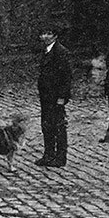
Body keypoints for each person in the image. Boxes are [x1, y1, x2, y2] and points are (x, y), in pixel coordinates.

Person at [34, 25, 72, 168]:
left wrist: (62, 97)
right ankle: (48, 154)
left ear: (55, 36)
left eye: (48, 33)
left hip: (56, 96)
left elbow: (66, 77)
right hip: (46, 96)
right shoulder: (45, 51)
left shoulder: (61, 52)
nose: (45, 37)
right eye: (43, 33)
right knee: (46, 125)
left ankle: (60, 157)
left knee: (59, 126)